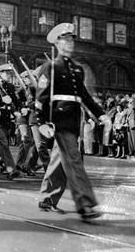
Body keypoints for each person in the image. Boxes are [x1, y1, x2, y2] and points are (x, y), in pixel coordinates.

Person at [35, 23, 111, 221]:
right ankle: (86, 204)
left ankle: (47, 199)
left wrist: (101, 114)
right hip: (58, 122)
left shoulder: (77, 69)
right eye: (66, 39)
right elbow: (40, 100)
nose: (70, 43)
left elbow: (84, 97)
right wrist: (41, 122)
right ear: (57, 43)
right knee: (74, 161)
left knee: (60, 161)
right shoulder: (50, 67)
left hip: (74, 121)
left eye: (72, 39)